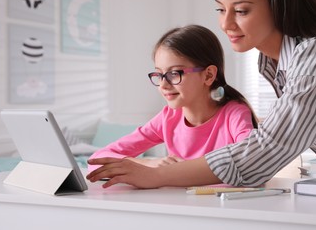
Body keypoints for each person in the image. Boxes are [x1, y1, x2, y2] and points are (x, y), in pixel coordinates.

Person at [86, 0, 316, 189]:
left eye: (241, 11)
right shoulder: (278, 63)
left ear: (279, 4)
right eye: (221, 10)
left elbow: (265, 150)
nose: (225, 24)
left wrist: (158, 175)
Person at [88, 24, 257, 171]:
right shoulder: (167, 118)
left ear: (208, 75)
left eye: (174, 73)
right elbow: (97, 160)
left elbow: (251, 161)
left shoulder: (234, 115)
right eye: (159, 74)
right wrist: (148, 163)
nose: (163, 84)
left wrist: (180, 171)